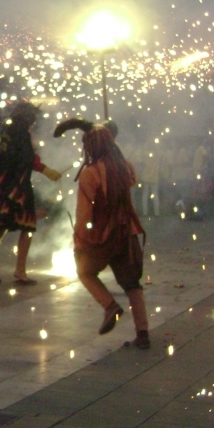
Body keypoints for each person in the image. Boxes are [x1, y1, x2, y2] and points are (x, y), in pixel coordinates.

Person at [56, 119, 151, 349]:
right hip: (127, 233)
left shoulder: (90, 174)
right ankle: (143, 333)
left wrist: (79, 242)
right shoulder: (125, 167)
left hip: (102, 237)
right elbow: (131, 179)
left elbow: (84, 215)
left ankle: (110, 307)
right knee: (132, 284)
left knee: (85, 271)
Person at [0, 102, 62, 285]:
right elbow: (27, 159)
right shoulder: (22, 134)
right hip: (18, 188)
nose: (34, 123)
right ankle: (20, 270)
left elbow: (0, 157)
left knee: (0, 227)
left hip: (2, 186)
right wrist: (46, 170)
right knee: (27, 226)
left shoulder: (6, 132)